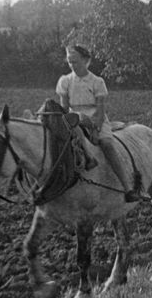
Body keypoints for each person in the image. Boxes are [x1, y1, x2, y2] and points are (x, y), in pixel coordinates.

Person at [56, 44, 141, 202]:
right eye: (69, 62)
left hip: (95, 117)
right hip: (74, 118)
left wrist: (96, 129)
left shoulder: (97, 82)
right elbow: (64, 108)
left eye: (75, 61)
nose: (72, 65)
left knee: (107, 144)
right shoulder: (65, 81)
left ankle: (128, 187)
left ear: (86, 61)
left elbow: (100, 110)